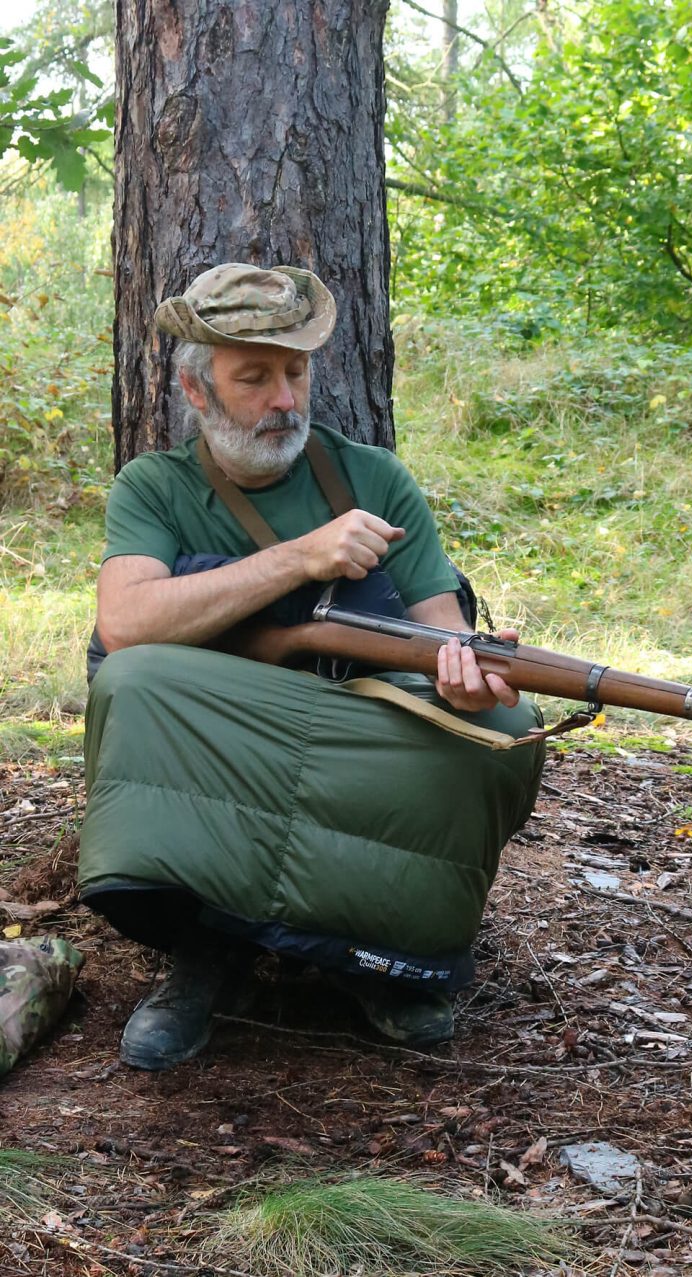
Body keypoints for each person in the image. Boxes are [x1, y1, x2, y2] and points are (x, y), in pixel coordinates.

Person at [78, 263, 545, 1071]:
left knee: (507, 727)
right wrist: (302, 558)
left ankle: (377, 947)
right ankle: (206, 954)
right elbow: (125, 623)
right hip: (222, 734)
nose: (284, 399)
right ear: (198, 390)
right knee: (134, 683)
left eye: (294, 373)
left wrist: (465, 678)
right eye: (253, 378)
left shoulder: (374, 477)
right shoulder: (153, 487)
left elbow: (442, 635)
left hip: (351, 722)